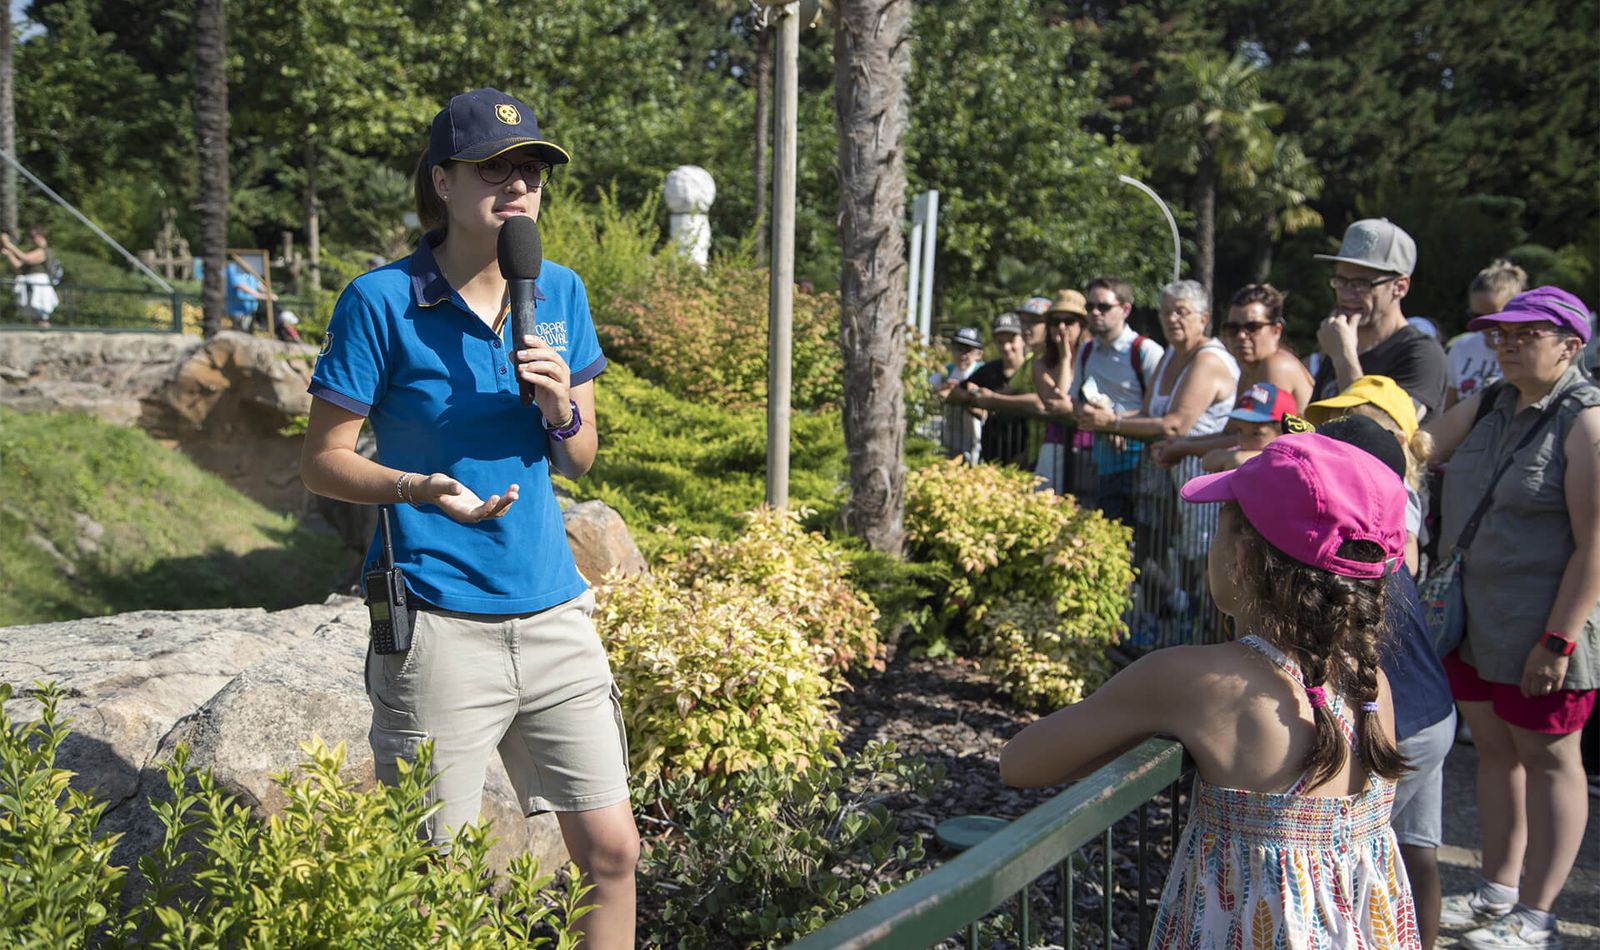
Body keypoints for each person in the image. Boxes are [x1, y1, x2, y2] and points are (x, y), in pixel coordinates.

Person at [299, 87, 638, 948]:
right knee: (427, 876)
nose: (517, 183)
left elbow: (581, 455)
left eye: (530, 168)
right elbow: (322, 461)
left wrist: (562, 406)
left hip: (555, 612)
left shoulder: (557, 289)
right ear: (443, 181)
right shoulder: (379, 302)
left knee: (612, 855)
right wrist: (419, 488)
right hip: (439, 625)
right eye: (494, 168)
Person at [1001, 433, 1419, 950]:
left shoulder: (1193, 680)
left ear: (1242, 554)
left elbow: (1020, 762)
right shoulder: (1370, 681)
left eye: (1217, 528)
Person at [1423, 286, 1600, 950]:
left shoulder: (1586, 419)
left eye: (1525, 335)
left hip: (1543, 632)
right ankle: (1499, 892)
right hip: (1475, 626)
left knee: (1552, 760)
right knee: (1496, 758)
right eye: (1500, 334)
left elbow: (1596, 545)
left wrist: (1557, 641)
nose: (1506, 345)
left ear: (1570, 345)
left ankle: (1539, 914)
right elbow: (1416, 445)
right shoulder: (1492, 402)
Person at [1319, 413, 1457, 950]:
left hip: (1400, 725)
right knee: (1416, 853)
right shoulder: (1382, 535)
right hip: (1432, 712)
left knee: (1346, 865)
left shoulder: (1342, 549)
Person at [1079, 280, 1238, 560]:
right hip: (1165, 479)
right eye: (1165, 312)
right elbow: (1147, 414)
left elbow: (1174, 425)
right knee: (1165, 556)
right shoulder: (1171, 354)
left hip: (1203, 477)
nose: (1172, 319)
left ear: (1203, 318)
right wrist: (1102, 416)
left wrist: (1111, 423)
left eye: (1181, 312)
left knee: (1203, 558)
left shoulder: (1209, 359)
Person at [1152, 284, 1309, 469]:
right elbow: (1232, 432)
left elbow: (1257, 438)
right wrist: (1178, 443)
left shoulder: (1275, 366)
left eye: (1253, 327)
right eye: (1232, 328)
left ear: (1277, 330)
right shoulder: (1248, 369)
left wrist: (1183, 447)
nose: (1241, 336)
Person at [1312, 218, 1449, 422]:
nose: (1347, 294)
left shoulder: (1422, 355)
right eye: (1341, 281)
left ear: (1400, 287)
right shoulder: (1341, 343)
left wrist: (1343, 357)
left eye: (1361, 284)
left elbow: (1379, 435)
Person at [1305, 375, 1434, 575]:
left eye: (1354, 433)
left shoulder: (1397, 490)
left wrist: (1382, 575)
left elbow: (1409, 556)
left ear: (1397, 441)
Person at [1067, 276, 1164, 522]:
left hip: (1146, 463)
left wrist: (1114, 421)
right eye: (1090, 307)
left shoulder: (1146, 351)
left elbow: (1161, 409)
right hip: (1101, 463)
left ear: (1125, 309)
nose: (1095, 313)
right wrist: (1093, 415)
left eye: (1104, 306)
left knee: (1148, 538)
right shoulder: (1086, 350)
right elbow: (1075, 399)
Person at [957, 298, 1052, 467]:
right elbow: (1009, 391)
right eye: (1024, 320)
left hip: (1054, 448)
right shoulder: (1031, 362)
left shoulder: (1054, 360)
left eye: (1034, 321)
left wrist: (993, 400)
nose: (1027, 326)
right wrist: (977, 395)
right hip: (1031, 452)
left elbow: (1043, 401)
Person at [950, 311, 1029, 466]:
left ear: (1023, 340)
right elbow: (957, 392)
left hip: (1024, 454)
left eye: (1012, 340)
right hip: (991, 455)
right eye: (1000, 342)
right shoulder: (989, 370)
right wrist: (974, 397)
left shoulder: (1032, 370)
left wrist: (993, 399)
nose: (1006, 347)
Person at [1446, 259, 1527, 410]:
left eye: (1496, 316)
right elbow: (1448, 408)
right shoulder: (1460, 348)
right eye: (1477, 316)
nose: (1487, 326)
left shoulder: (1527, 352)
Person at [1034, 289, 1088, 493]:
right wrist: (1065, 359)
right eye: (1055, 322)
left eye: (1069, 321)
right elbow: (1057, 402)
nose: (1061, 327)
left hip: (1089, 447)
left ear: (1082, 325)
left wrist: (1070, 407)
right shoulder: (1040, 364)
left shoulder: (1093, 357)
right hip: (1055, 444)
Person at [1195, 381, 1295, 473]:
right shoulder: (1241, 450)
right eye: (1240, 430)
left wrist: (1238, 458)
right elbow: (1208, 461)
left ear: (1283, 433)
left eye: (1256, 434)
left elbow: (1238, 460)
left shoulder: (1290, 459)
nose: (1245, 440)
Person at [934, 326, 985, 464]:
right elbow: (930, 392)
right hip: (950, 435)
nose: (962, 355)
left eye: (968, 350)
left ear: (979, 354)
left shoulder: (982, 372)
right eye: (958, 348)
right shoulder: (947, 371)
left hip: (975, 437)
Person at [1, 226, 59, 327]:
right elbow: (18, 264)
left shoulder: (44, 251)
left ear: (40, 237)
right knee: (33, 314)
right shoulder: (34, 250)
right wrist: (9, 253)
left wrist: (9, 244)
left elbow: (26, 258)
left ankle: (46, 331)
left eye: (34, 237)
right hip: (29, 284)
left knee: (41, 311)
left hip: (39, 283)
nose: (32, 240)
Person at [226, 258, 273, 332]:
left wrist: (269, 293)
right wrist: (260, 295)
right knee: (241, 332)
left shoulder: (249, 270)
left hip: (250, 310)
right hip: (237, 310)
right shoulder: (233, 268)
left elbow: (258, 284)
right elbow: (240, 285)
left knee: (248, 332)